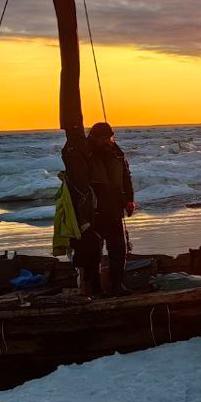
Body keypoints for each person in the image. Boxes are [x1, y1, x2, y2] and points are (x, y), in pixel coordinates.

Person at [71, 122, 135, 295]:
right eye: (103, 138)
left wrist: (130, 200)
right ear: (94, 137)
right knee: (93, 252)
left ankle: (117, 285)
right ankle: (95, 288)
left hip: (114, 209)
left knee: (119, 250)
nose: (107, 141)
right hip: (93, 213)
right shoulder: (84, 152)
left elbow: (125, 177)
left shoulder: (117, 153)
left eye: (109, 137)